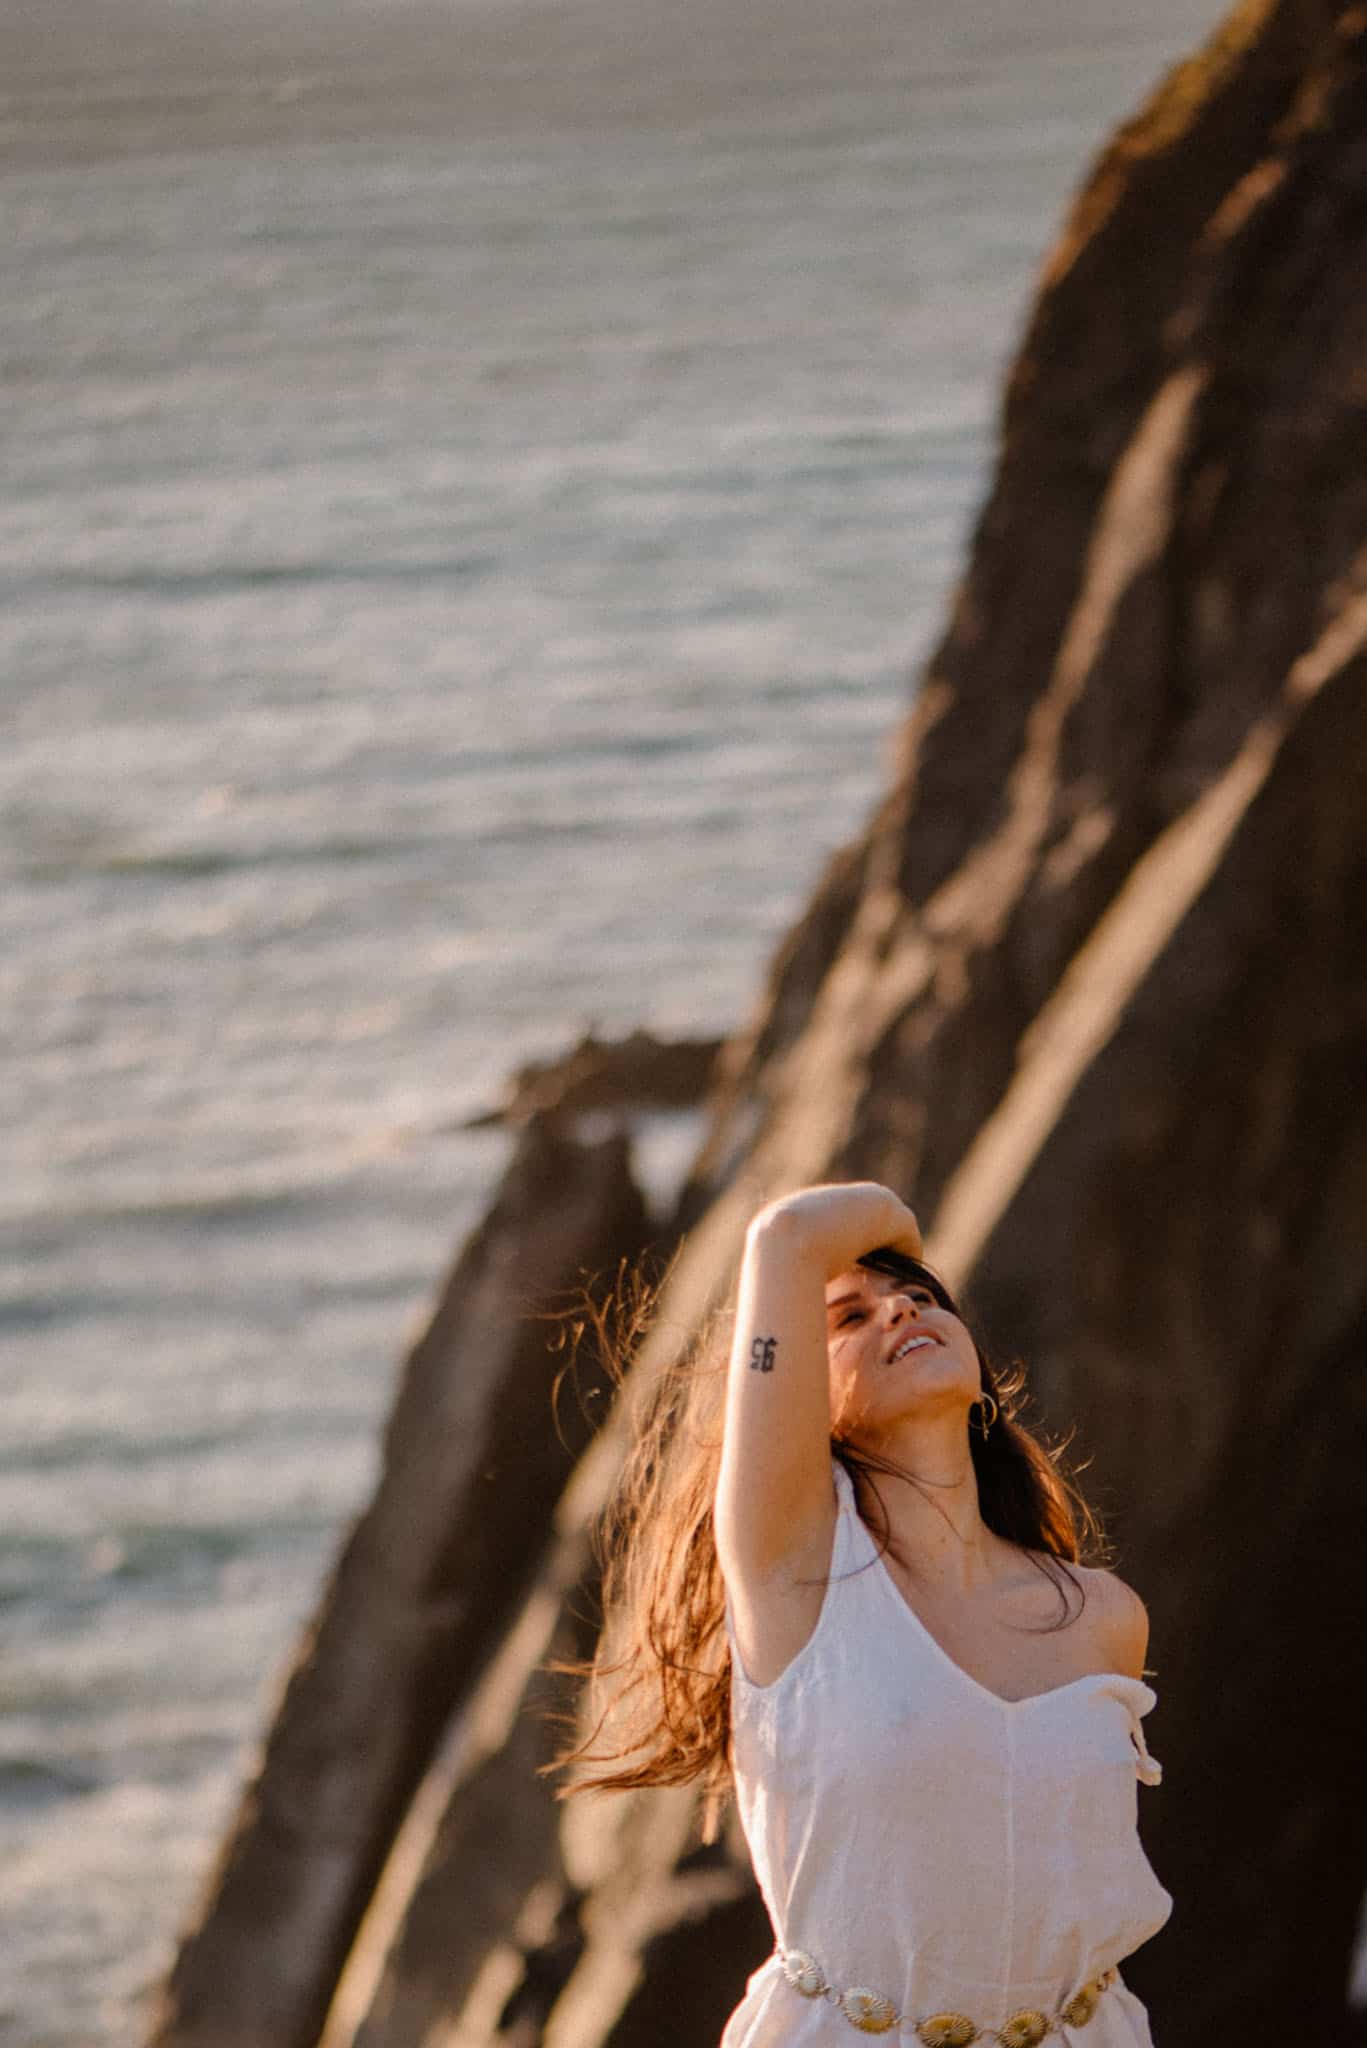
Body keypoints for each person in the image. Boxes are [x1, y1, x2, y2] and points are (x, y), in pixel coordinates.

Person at [556, 1181, 1172, 2046]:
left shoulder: (1101, 1618)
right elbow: (787, 1234)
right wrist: (894, 1233)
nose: (898, 1310)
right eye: (848, 1317)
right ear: (810, 1401)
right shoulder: (793, 1571)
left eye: (919, 1297)